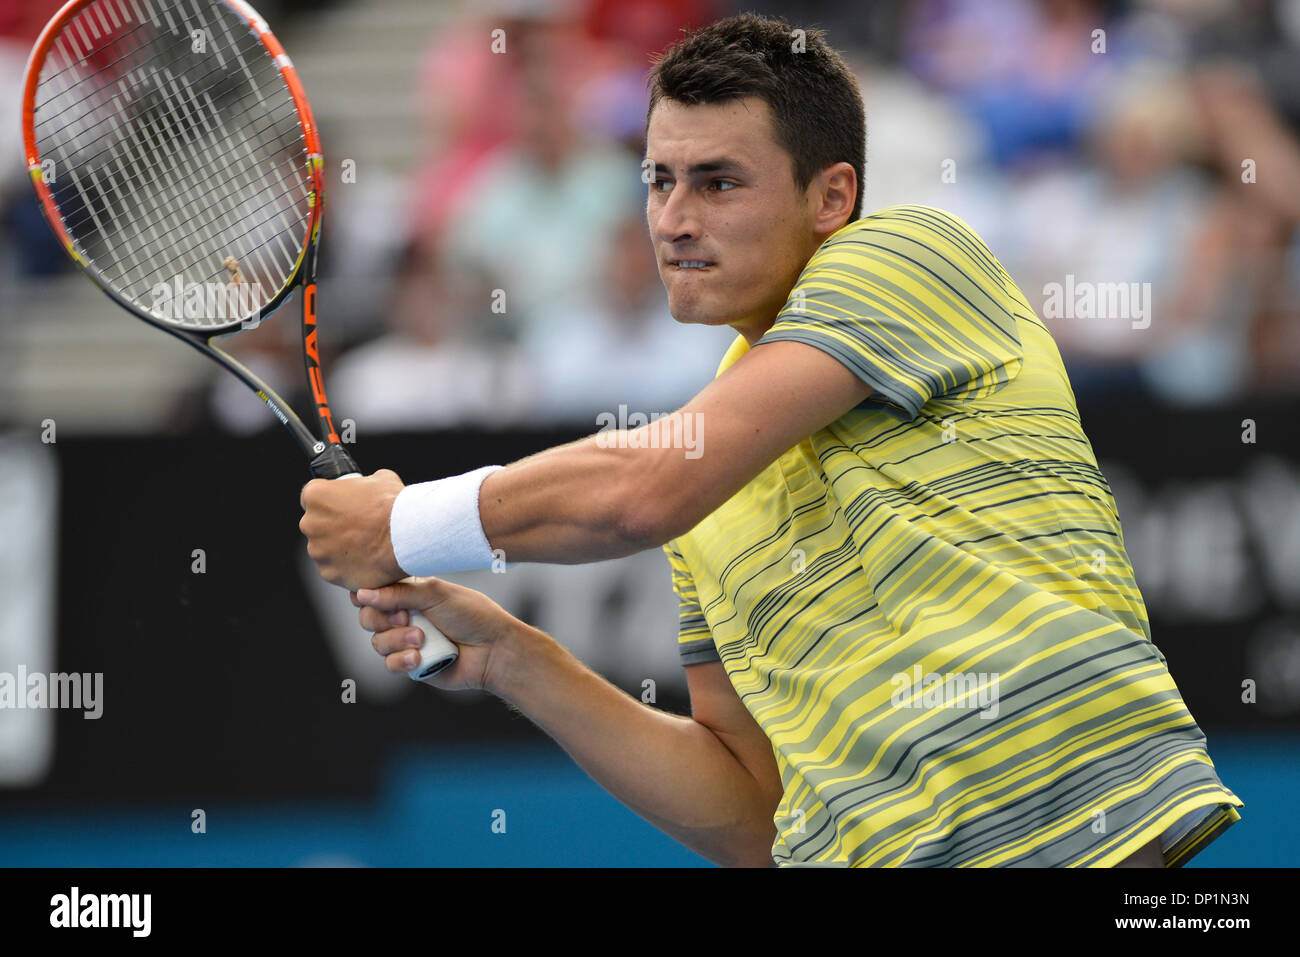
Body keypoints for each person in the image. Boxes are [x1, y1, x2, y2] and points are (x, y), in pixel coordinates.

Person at [299, 12, 1243, 867]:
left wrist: (402, 523)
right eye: (659, 181)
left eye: (718, 183)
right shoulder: (703, 476)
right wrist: (514, 658)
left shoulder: (911, 254)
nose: (672, 220)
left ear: (832, 196)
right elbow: (754, 812)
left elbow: (644, 490)